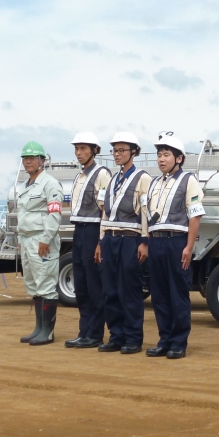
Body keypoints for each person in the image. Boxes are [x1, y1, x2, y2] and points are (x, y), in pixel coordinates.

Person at [144, 132, 205, 359]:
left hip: (177, 242)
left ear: (179, 158)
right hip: (157, 242)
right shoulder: (154, 183)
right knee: (159, 294)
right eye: (159, 155)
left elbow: (195, 216)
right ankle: (164, 339)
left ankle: (179, 342)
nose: (161, 159)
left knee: (177, 293)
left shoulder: (188, 180)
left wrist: (189, 247)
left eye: (166, 155)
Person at [96, 132, 152, 354]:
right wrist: (101, 241)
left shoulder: (143, 178)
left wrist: (145, 241)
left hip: (130, 239)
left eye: (122, 150)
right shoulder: (111, 180)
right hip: (110, 239)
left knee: (129, 290)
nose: (117, 154)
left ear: (134, 152)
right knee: (110, 290)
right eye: (115, 151)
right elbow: (104, 214)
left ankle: (133, 338)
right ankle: (116, 336)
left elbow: (146, 212)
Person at [64, 132, 112, 349]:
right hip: (79, 230)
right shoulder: (79, 175)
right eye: (77, 149)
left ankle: (95, 333)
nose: (78, 153)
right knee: (81, 285)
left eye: (83, 148)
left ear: (95, 150)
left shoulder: (102, 173)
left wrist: (101, 242)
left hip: (94, 230)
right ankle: (84, 331)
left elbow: (106, 211)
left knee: (94, 285)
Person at [15, 142, 65, 346]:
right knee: (34, 285)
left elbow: (54, 213)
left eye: (32, 158)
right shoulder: (25, 186)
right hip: (27, 239)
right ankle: (38, 328)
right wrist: (20, 240)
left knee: (46, 284)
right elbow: (23, 214)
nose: (28, 161)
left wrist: (46, 238)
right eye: (25, 158)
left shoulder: (50, 184)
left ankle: (48, 331)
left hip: (42, 239)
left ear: (42, 161)